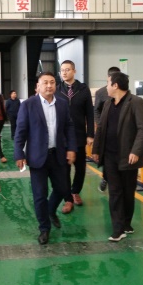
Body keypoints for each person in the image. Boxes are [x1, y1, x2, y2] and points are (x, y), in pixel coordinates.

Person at [14, 72, 77, 245]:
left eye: (52, 82)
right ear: (38, 86)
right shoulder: (28, 105)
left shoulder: (62, 104)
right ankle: (44, 228)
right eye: (45, 83)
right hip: (37, 157)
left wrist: (71, 148)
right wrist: (19, 153)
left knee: (63, 189)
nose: (49, 86)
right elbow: (21, 131)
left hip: (58, 155)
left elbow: (69, 127)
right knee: (39, 195)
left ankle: (50, 210)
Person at [91, 71, 143, 242]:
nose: (106, 86)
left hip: (127, 156)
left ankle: (126, 223)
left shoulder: (135, 102)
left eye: (108, 83)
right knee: (115, 192)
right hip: (109, 155)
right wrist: (96, 149)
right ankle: (118, 228)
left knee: (128, 192)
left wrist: (135, 151)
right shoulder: (108, 103)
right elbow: (101, 127)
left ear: (115, 85)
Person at [56, 60, 94, 213]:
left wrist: (90, 134)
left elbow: (90, 114)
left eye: (67, 69)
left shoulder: (83, 89)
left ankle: (75, 191)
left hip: (79, 135)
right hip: (62, 136)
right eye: (62, 70)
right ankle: (67, 199)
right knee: (64, 169)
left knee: (80, 167)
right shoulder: (57, 89)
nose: (64, 73)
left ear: (74, 71)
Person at [94, 66, 120, 192]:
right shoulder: (101, 93)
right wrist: (101, 124)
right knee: (107, 157)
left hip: (121, 131)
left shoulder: (124, 92)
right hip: (106, 131)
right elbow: (96, 110)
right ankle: (105, 178)